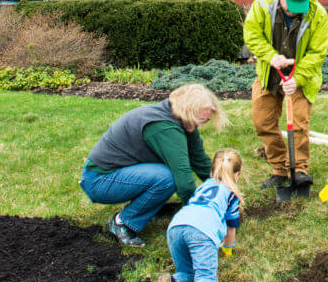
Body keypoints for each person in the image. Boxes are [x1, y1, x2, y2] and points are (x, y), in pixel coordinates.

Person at [80, 83, 227, 247]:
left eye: (206, 120)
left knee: (164, 176)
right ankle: (123, 222)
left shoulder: (182, 119)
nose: (203, 124)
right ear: (188, 110)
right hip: (100, 180)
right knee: (167, 178)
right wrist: (198, 217)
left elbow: (200, 162)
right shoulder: (163, 126)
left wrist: (225, 191)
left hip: (119, 174)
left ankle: (150, 209)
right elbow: (184, 180)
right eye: (201, 119)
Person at [243, 0, 328, 197]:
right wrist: (270, 56)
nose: (295, 11)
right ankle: (280, 169)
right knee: (263, 122)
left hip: (301, 73)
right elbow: (251, 34)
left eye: (299, 7)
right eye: (291, 6)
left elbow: (317, 53)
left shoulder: (316, 12)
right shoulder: (263, 3)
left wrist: (297, 79)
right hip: (269, 72)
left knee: (299, 124)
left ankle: (299, 171)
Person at [151, 148, 244, 282]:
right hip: (202, 231)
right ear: (237, 175)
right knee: (207, 278)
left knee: (186, 271)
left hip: (176, 226)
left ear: (212, 171)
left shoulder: (203, 187)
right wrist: (228, 248)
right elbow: (231, 226)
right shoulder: (231, 193)